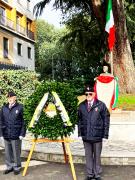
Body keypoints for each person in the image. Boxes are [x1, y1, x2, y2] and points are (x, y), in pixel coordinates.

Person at [78, 86, 110, 180]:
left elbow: (106, 120)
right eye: (86, 94)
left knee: (97, 156)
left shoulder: (101, 105)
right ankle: (90, 174)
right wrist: (80, 133)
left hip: (97, 135)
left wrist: (105, 134)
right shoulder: (81, 106)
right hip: (86, 136)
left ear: (94, 94)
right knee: (88, 156)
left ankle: (97, 174)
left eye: (90, 93)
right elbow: (79, 120)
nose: (88, 95)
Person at [0, 91, 26, 175]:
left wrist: (22, 133)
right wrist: (1, 134)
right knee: (7, 153)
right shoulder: (4, 108)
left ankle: (17, 167)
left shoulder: (20, 107)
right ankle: (9, 167)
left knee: (16, 152)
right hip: (6, 134)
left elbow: (24, 122)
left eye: (11, 98)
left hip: (16, 134)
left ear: (15, 98)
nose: (10, 99)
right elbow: (1, 121)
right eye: (8, 98)